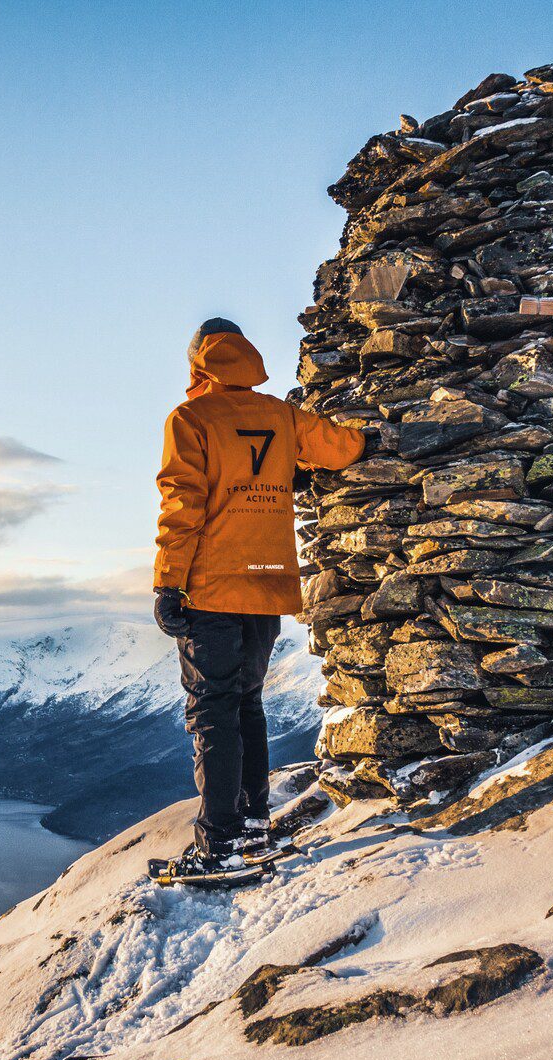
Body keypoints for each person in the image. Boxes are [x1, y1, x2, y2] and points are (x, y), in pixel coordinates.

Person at [152, 317, 365, 880]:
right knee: (246, 704)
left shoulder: (191, 418)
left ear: (198, 361)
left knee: (212, 711)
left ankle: (218, 846)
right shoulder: (281, 416)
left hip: (213, 587)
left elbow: (183, 505)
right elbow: (345, 449)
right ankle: (253, 827)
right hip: (268, 582)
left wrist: (167, 582)